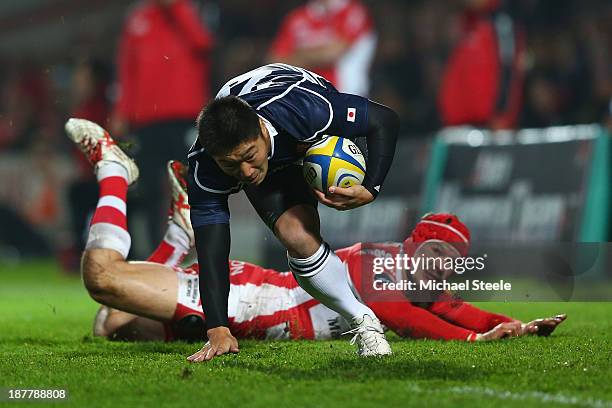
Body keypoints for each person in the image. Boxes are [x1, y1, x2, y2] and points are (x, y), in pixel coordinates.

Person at [63, 120, 564, 347]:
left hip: (256, 309)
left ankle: (178, 233)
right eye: (435, 254)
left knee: (110, 323)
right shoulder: (381, 267)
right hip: (248, 301)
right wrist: (472, 342)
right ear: (412, 249)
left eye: (449, 262)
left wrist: (510, 325)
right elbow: (401, 316)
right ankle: (114, 171)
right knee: (105, 282)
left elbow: (454, 310)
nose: (442, 268)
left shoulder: (417, 281)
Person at [188, 63, 399, 360]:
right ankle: (363, 320)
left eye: (249, 156)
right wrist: (217, 327)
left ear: (261, 129)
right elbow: (212, 251)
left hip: (308, 134)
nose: (246, 172)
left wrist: (371, 187)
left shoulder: (306, 110)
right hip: (277, 156)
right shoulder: (205, 167)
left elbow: (384, 120)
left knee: (301, 225)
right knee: (296, 235)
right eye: (231, 165)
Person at [112, 0, 214, 251]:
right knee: (147, 188)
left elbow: (204, 43)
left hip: (185, 115)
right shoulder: (138, 17)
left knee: (192, 185)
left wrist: (176, 7)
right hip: (147, 118)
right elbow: (127, 68)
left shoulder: (193, 9)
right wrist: (122, 110)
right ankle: (156, 248)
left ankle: (196, 246)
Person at [268, 0, 376, 96]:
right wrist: (317, 55)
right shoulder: (297, 18)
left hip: (346, 95)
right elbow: (274, 63)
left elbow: (332, 54)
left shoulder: (352, 11)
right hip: (305, 98)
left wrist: (299, 55)